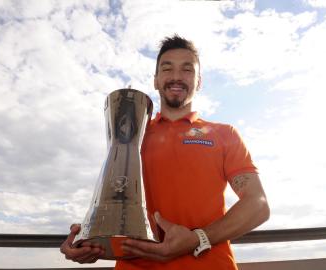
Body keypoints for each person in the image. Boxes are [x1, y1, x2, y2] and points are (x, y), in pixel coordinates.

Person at [60, 34, 270, 269]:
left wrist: (197, 239)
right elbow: (114, 200)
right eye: (167, 69)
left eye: (187, 70)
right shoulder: (129, 138)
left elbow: (258, 205)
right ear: (156, 80)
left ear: (199, 81)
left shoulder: (224, 134)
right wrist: (88, 239)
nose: (177, 77)